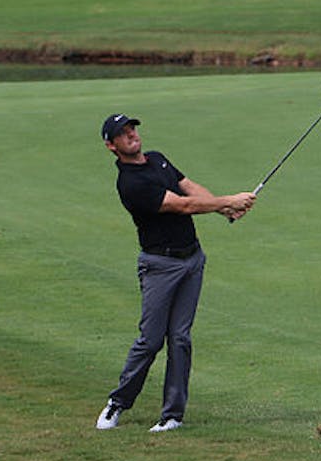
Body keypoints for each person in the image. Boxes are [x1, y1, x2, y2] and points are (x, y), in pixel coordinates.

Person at [95, 113, 256, 432]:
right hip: (159, 266)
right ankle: (119, 401)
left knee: (180, 338)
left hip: (192, 259)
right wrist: (229, 200)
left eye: (132, 129)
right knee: (151, 340)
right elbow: (181, 205)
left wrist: (222, 207)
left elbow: (189, 187)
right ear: (111, 146)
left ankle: (172, 415)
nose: (132, 135)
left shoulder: (157, 160)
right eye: (123, 134)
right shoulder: (130, 183)